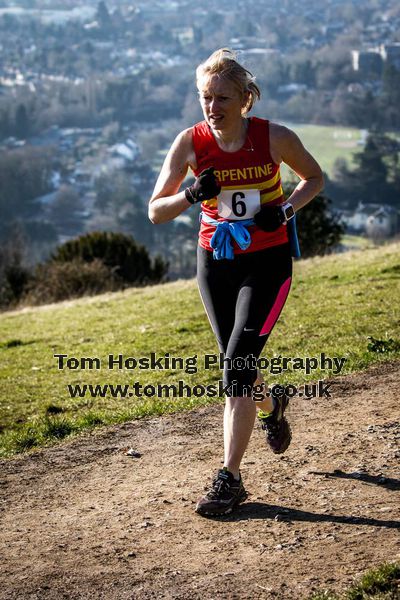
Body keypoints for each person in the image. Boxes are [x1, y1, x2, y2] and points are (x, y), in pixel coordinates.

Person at [148, 48, 323, 517]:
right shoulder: (190, 142)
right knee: (239, 366)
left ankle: (230, 478)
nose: (212, 107)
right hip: (216, 264)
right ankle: (274, 403)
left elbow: (314, 178)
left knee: (236, 367)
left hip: (266, 264)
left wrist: (283, 210)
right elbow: (155, 211)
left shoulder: (274, 138)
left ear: (246, 99)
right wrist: (189, 194)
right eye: (206, 97)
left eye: (222, 97)